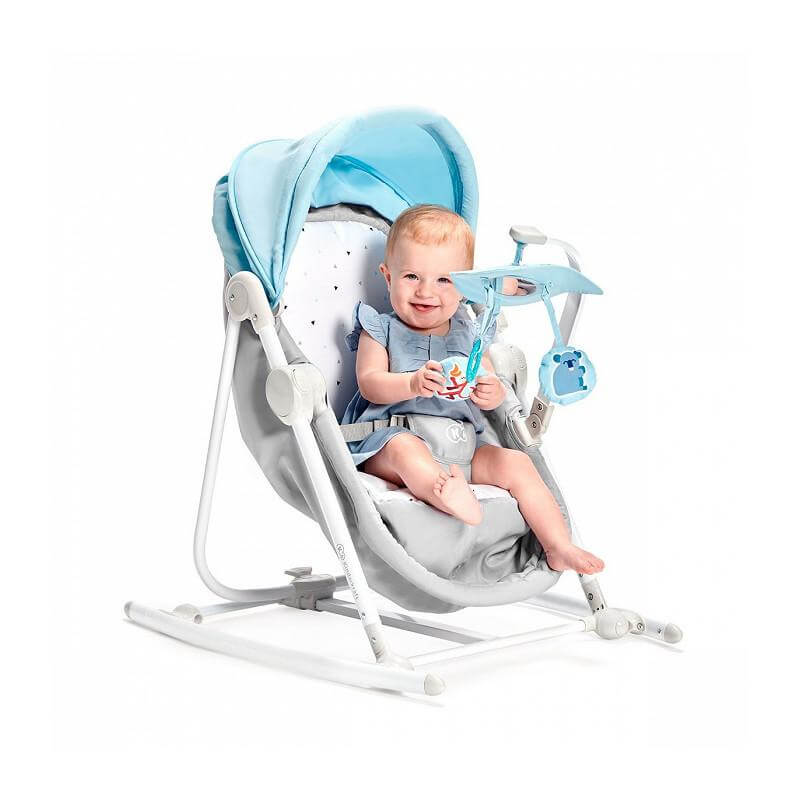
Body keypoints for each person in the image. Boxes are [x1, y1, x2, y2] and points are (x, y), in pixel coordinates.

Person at [340, 204, 604, 574]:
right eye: (412, 276)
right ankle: (443, 492)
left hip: (463, 445)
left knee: (517, 463)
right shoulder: (381, 329)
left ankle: (557, 544)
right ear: (388, 276)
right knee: (406, 450)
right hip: (392, 438)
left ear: (465, 287)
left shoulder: (470, 333)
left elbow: (491, 383)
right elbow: (370, 385)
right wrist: (411, 383)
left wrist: (490, 392)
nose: (426, 291)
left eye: (444, 280)